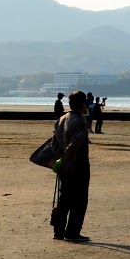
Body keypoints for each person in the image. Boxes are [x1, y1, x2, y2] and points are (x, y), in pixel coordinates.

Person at [50, 90, 92, 242]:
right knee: (79, 200)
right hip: (78, 165)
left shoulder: (61, 119)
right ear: (83, 104)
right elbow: (75, 144)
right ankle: (72, 232)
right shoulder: (80, 121)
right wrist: (69, 160)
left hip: (63, 165)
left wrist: (59, 160)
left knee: (64, 198)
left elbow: (53, 144)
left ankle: (59, 231)